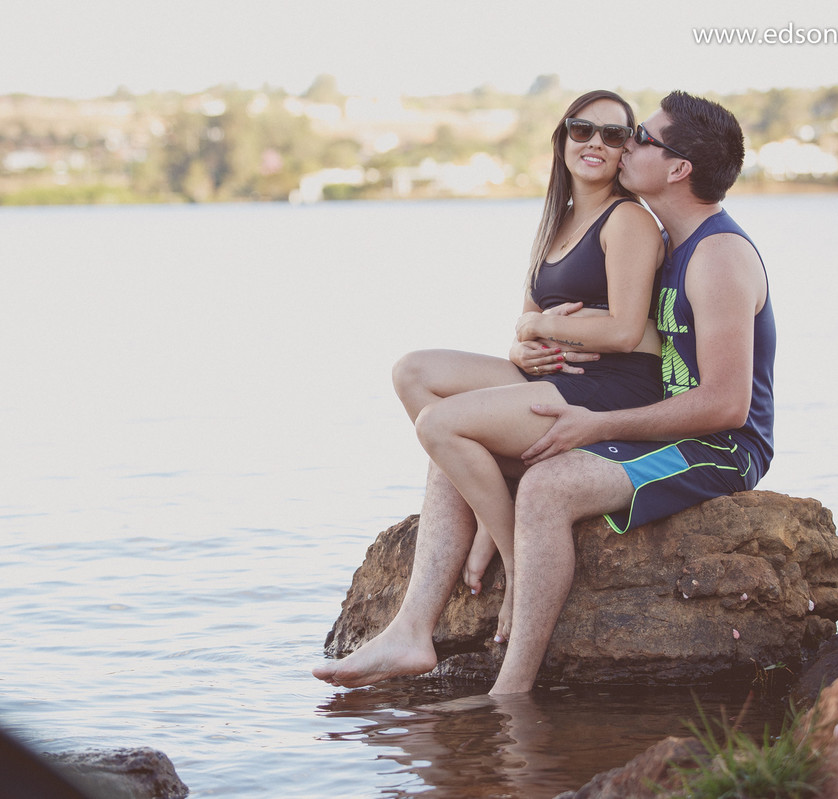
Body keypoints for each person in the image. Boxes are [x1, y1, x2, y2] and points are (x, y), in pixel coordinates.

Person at [313, 91, 775, 697]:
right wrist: (529, 344)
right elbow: (633, 334)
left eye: (638, 137)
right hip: (659, 424)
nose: (623, 146)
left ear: (678, 168)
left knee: (544, 486)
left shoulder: (718, 256)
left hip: (719, 448)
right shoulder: (674, 243)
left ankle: (510, 694)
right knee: (453, 448)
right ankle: (411, 632)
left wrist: (596, 423)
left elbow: (726, 407)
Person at [391, 90, 665, 642]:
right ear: (563, 139)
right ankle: (493, 505)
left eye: (613, 135)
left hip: (610, 385)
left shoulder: (628, 220)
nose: (595, 142)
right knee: (413, 372)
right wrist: (521, 346)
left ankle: (515, 559)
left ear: (624, 152)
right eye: (582, 129)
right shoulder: (557, 221)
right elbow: (526, 322)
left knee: (439, 425)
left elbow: (623, 330)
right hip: (551, 375)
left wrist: (541, 328)